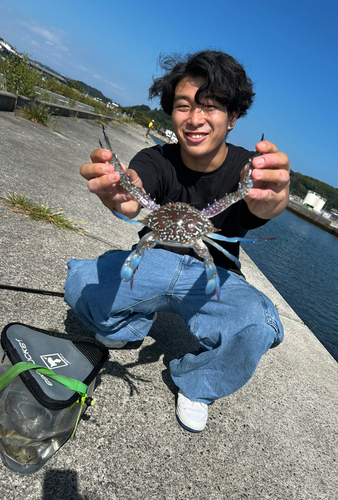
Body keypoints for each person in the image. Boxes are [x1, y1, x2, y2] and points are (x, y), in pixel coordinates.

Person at [65, 50, 290, 433]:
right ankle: (130, 327)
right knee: (80, 283)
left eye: (211, 106)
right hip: (153, 256)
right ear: (172, 112)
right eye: (184, 105)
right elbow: (136, 191)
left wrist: (273, 203)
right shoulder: (156, 159)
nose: (195, 118)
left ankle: (198, 383)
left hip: (211, 269)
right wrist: (123, 192)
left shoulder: (246, 171)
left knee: (260, 323)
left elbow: (255, 207)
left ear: (233, 118)